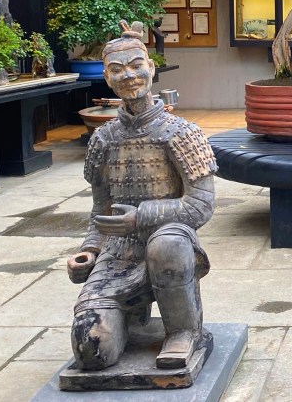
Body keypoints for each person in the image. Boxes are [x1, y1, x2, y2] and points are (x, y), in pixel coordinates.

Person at [66, 22, 216, 372]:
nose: (128, 76)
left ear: (151, 68)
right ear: (106, 76)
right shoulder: (102, 139)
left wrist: (140, 217)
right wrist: (89, 249)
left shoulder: (181, 132)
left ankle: (183, 331)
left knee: (165, 243)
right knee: (91, 350)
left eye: (136, 66)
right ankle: (126, 317)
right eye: (117, 70)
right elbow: (100, 211)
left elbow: (200, 206)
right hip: (119, 256)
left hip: (171, 244)